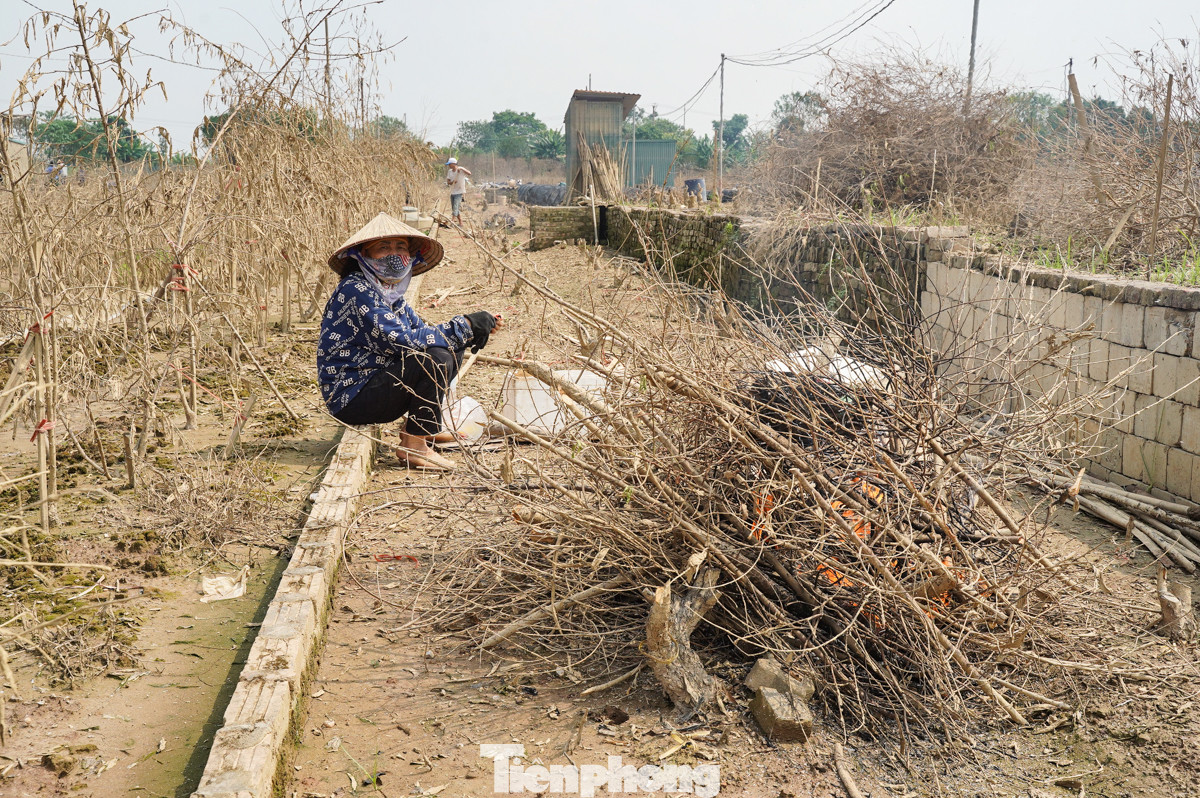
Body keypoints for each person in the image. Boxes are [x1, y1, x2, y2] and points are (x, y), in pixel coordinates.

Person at [317, 212, 500, 470]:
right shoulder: (356, 290)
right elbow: (403, 341)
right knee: (435, 358)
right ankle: (414, 447)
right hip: (352, 396)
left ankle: (422, 427)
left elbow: (424, 332)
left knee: (449, 347)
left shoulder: (389, 292)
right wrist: (465, 324)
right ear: (363, 255)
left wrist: (470, 331)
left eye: (400, 247)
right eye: (384, 247)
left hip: (377, 384)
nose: (394, 254)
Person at [445, 157, 471, 224]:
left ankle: (452, 221)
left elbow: (469, 173)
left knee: (455, 207)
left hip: (459, 192)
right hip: (452, 191)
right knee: (454, 208)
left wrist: (461, 168)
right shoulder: (450, 172)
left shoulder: (461, 170)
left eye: (450, 164)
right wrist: (452, 182)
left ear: (454, 164)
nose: (449, 165)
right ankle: (460, 222)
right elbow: (448, 181)